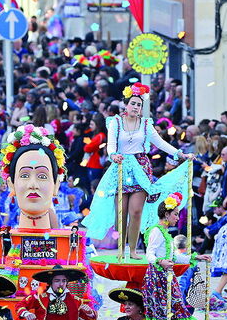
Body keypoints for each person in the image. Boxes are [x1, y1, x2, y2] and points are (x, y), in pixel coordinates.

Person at [82, 83, 193, 258]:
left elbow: (161, 143)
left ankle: (132, 250)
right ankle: (121, 249)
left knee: (136, 211)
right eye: (133, 103)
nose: (136, 107)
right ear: (126, 105)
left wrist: (180, 154)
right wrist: (113, 156)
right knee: (121, 213)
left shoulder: (146, 124)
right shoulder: (115, 123)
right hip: (121, 168)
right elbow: (111, 146)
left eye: (139, 104)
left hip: (141, 169)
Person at [143, 193, 216, 320]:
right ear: (166, 215)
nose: (177, 217)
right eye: (175, 214)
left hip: (167, 279)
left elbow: (173, 256)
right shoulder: (156, 231)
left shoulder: (166, 234)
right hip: (157, 280)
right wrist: (161, 261)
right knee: (160, 317)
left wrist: (195, 256)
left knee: (174, 315)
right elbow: (149, 254)